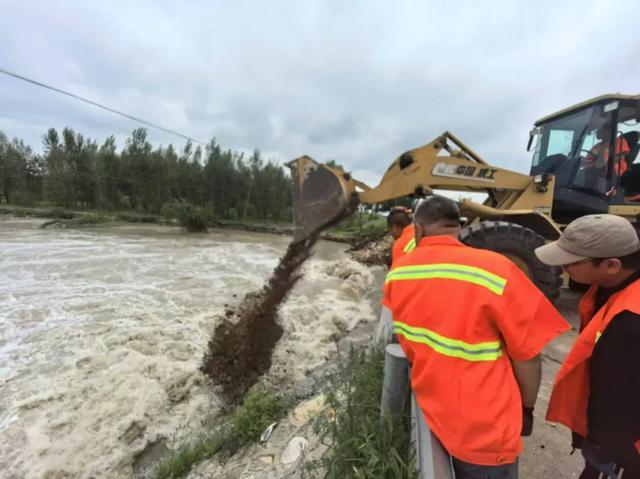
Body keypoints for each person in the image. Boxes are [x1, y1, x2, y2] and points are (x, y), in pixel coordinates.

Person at [384, 196, 570, 479]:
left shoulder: (398, 275)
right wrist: (527, 407)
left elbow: (407, 339)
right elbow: (528, 357)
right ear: (458, 226)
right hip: (484, 432)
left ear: (418, 228)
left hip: (432, 412)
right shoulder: (496, 270)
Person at [535, 214, 640, 478]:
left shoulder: (632, 320)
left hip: (623, 446)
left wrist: (620, 449)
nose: (562, 269)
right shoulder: (609, 287)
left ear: (612, 265)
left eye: (570, 262)